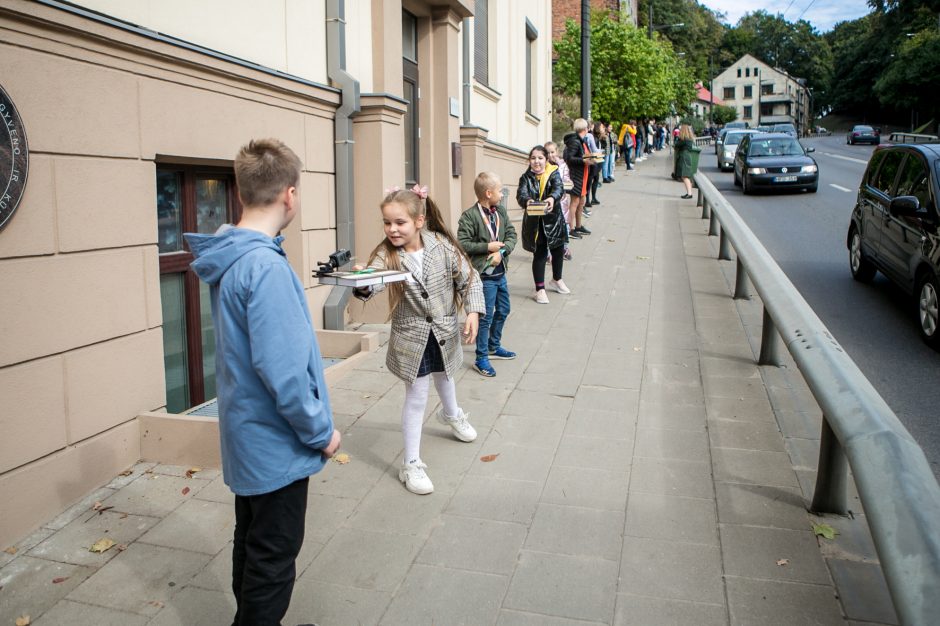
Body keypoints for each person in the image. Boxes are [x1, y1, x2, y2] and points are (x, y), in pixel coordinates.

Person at [185, 138, 341, 626]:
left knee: (252, 547)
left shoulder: (235, 256)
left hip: (247, 436)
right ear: (290, 195)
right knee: (273, 559)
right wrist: (322, 432)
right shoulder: (265, 267)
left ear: (240, 189)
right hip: (275, 442)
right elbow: (286, 373)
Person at [354, 186, 484, 495]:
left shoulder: (441, 246)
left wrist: (473, 311)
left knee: (447, 373)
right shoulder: (386, 254)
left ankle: (451, 413)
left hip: (444, 329)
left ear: (419, 220)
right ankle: (410, 464)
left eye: (400, 222)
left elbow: (469, 278)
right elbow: (371, 284)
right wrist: (362, 281)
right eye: (387, 223)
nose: (392, 229)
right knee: (417, 395)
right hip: (411, 337)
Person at [457, 172, 518, 378]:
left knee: (504, 310)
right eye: (500, 191)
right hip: (483, 277)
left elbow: (511, 234)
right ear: (488, 193)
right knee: (485, 317)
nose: (502, 195)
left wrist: (501, 251)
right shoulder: (469, 216)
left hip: (500, 273)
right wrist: (487, 247)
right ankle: (481, 357)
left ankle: (493, 346)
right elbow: (462, 243)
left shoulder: (500, 211)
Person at [519, 145, 567, 304]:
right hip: (535, 224)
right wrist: (528, 201)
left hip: (554, 221)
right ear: (529, 160)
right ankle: (539, 289)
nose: (536, 161)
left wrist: (553, 198)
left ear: (546, 160)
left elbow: (559, 189)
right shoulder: (525, 177)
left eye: (540, 158)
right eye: (533, 158)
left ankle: (557, 279)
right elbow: (521, 194)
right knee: (539, 254)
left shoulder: (553, 173)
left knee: (558, 250)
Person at [544, 140, 573, 261]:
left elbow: (566, 179)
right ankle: (549, 253)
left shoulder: (563, 165)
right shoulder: (543, 166)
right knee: (549, 228)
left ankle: (564, 248)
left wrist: (569, 182)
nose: (551, 155)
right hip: (549, 203)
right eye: (548, 152)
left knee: (564, 227)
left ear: (557, 152)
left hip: (562, 203)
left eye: (552, 152)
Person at [563, 118, 592, 237]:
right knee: (575, 202)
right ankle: (571, 228)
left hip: (582, 175)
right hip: (576, 176)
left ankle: (578, 226)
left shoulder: (580, 140)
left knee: (582, 201)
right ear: (585, 128)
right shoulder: (575, 141)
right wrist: (585, 160)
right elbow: (570, 158)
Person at [674, 123, 699, 199]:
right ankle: (689, 192)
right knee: (685, 175)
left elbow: (676, 145)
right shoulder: (689, 139)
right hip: (687, 156)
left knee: (685, 176)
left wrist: (677, 138)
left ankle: (689, 193)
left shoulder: (684, 139)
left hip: (684, 156)